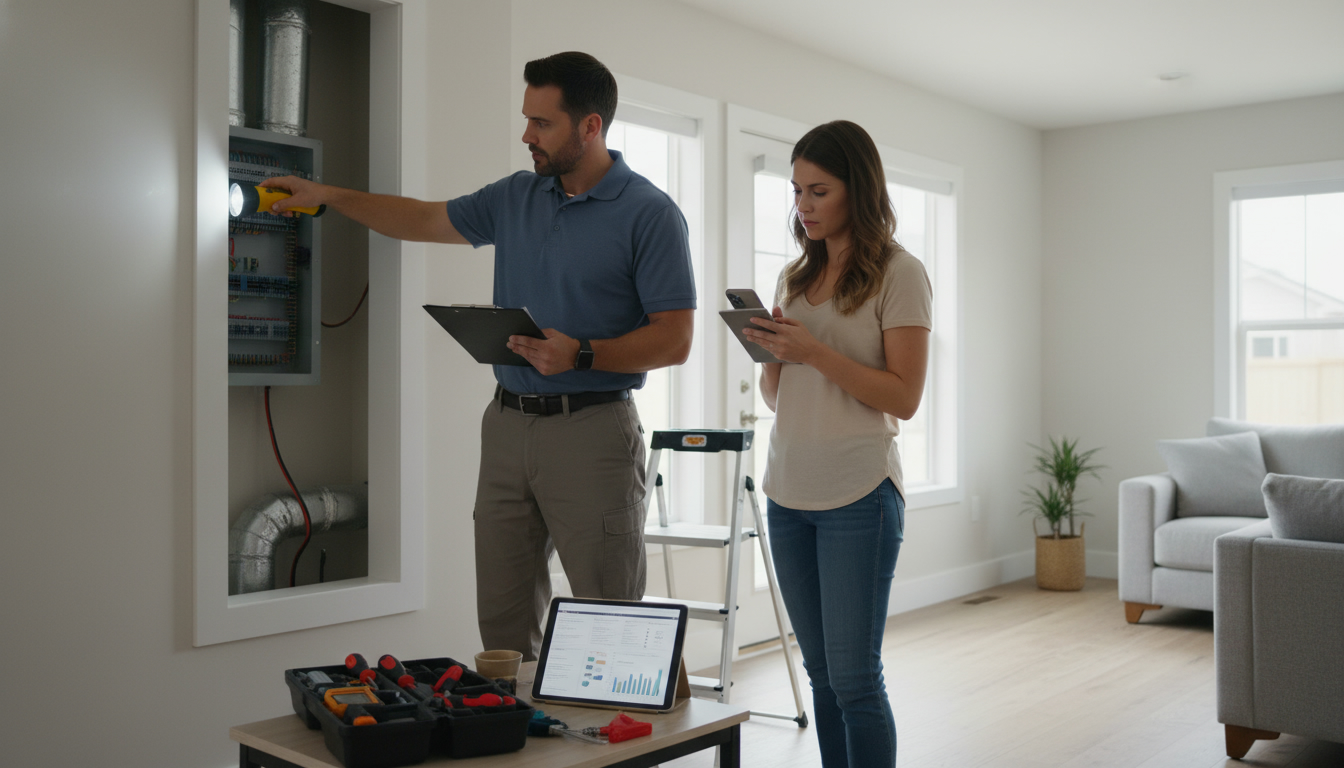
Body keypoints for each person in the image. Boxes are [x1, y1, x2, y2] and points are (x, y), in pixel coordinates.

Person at [263, 52, 696, 660]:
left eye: (542, 123)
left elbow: (676, 338)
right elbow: (422, 218)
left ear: (591, 126)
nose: (526, 135)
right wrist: (326, 195)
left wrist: (583, 353)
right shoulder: (516, 195)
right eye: (527, 119)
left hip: (594, 431)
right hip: (506, 427)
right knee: (502, 629)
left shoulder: (650, 214)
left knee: (610, 625)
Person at [741, 120, 930, 768]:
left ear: (859, 188)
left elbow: (903, 396)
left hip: (859, 496)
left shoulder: (900, 275)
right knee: (821, 677)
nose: (803, 205)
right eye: (796, 191)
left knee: (854, 680)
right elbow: (776, 398)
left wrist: (814, 351)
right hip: (787, 493)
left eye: (818, 190)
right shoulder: (792, 278)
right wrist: (771, 354)